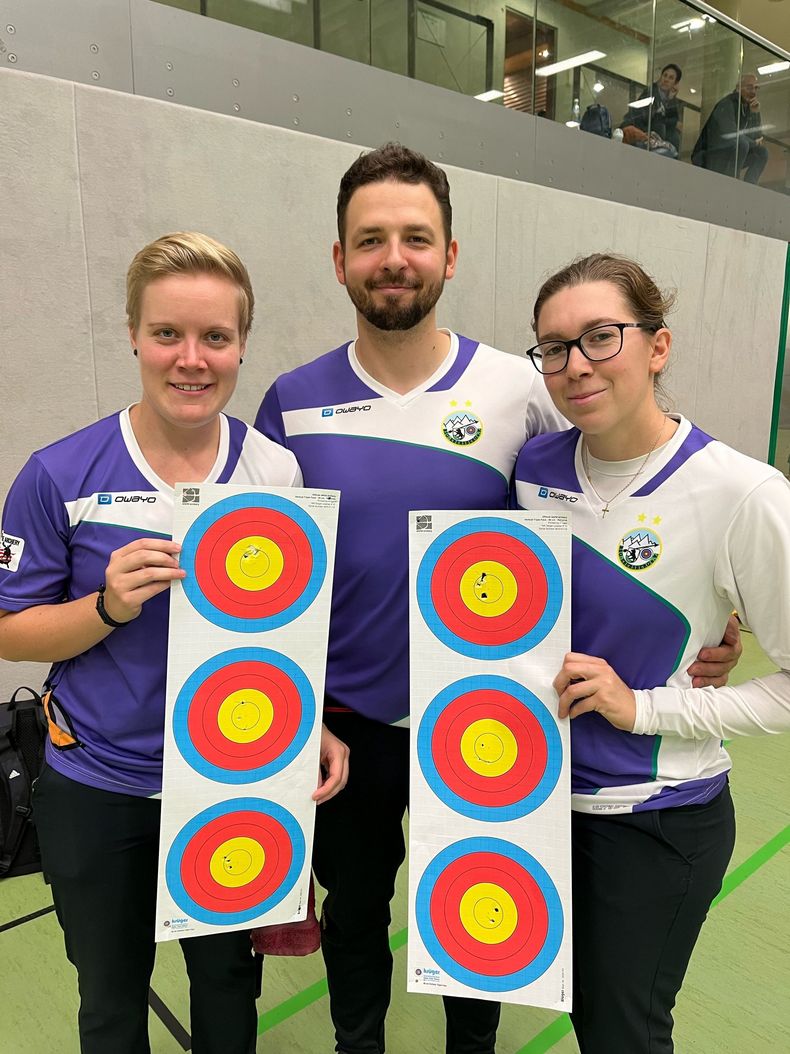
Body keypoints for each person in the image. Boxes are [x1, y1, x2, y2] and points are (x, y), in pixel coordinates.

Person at [254, 145, 740, 1054]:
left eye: (415, 237)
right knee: (354, 915)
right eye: (370, 240)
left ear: (450, 254)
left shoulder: (524, 390)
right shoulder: (290, 402)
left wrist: (710, 614)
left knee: (475, 918)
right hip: (339, 724)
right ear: (339, 259)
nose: (393, 257)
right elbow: (269, 578)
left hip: (482, 717)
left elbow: (607, 501)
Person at [0, 231, 350, 1054]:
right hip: (98, 783)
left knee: (228, 986)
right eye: (167, 334)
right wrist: (107, 607)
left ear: (240, 345)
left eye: (215, 338)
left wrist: (312, 723)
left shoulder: (276, 473)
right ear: (132, 335)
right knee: (110, 995)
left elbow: (287, 634)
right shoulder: (60, 474)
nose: (191, 360)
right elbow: (10, 628)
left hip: (234, 781)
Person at [514, 252, 790, 1054]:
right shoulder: (531, 471)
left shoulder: (743, 493)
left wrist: (646, 706)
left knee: (624, 1033)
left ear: (657, 347)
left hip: (658, 820)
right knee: (589, 1016)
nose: (576, 365)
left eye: (602, 337)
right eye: (555, 347)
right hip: (538, 807)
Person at [692, 73, 768, 183]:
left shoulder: (748, 107)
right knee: (742, 144)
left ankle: (750, 187)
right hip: (708, 155)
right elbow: (731, 134)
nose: (753, 92)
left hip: (728, 152)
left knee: (762, 152)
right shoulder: (727, 104)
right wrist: (753, 142)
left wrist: (754, 114)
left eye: (756, 88)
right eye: (749, 87)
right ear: (738, 88)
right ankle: (732, 183)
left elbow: (756, 136)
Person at [620, 63, 683, 158]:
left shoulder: (671, 100)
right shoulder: (650, 93)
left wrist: (670, 99)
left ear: (675, 83)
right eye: (665, 75)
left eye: (671, 78)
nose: (666, 80)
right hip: (640, 132)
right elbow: (646, 117)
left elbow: (672, 123)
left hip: (654, 139)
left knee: (674, 136)